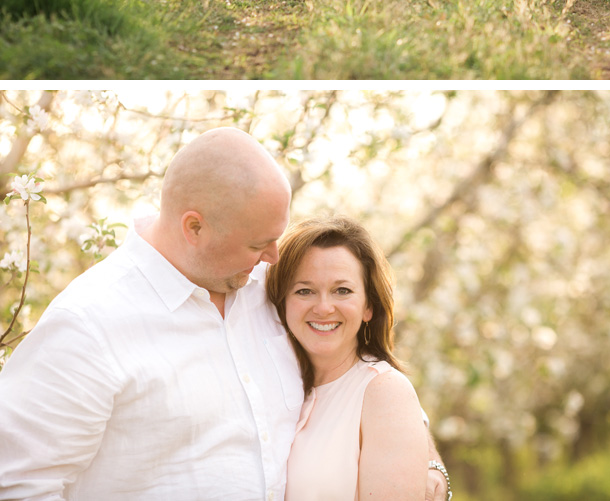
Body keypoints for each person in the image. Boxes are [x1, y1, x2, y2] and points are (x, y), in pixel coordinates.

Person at [0, 129, 450, 501]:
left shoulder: (267, 290)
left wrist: (422, 458)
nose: (274, 256)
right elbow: (17, 483)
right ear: (194, 227)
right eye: (257, 244)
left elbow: (361, 382)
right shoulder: (89, 324)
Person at [267, 216, 439, 501]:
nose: (323, 308)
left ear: (368, 306)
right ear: (283, 302)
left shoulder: (384, 392)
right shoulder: (282, 384)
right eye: (304, 290)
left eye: (342, 290)